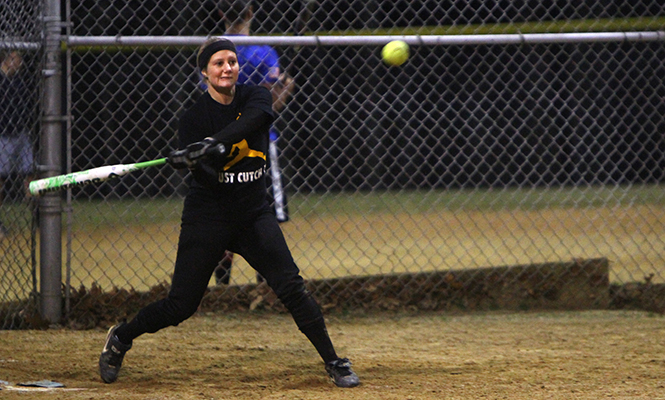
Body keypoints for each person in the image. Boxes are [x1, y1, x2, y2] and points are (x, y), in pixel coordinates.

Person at [98, 38, 360, 388]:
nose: (227, 68)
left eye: (231, 62)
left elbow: (253, 122)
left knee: (291, 286)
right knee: (181, 305)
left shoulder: (256, 97)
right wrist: (194, 162)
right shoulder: (193, 119)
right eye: (218, 63)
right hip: (209, 217)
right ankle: (121, 337)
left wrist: (212, 145)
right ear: (204, 71)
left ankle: (334, 361)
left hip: (253, 214)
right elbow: (211, 181)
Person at [213, 0, 295, 285]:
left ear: (221, 12)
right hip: (259, 142)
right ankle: (264, 287)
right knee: (265, 215)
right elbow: (268, 105)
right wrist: (285, 89)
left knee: (226, 214)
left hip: (223, 143)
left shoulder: (212, 53)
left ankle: (222, 287)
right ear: (251, 12)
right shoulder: (264, 51)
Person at [0, 50, 34, 236]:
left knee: (29, 173)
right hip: (2, 136)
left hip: (20, 134)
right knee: (0, 179)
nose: (19, 62)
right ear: (6, 58)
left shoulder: (19, 81)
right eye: (15, 58)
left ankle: (38, 216)